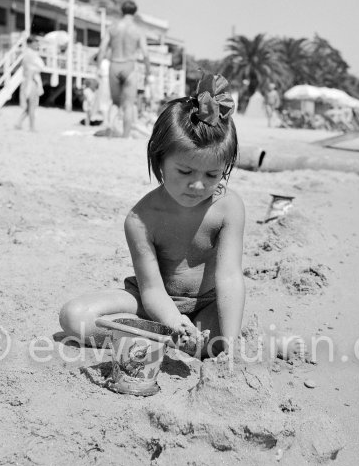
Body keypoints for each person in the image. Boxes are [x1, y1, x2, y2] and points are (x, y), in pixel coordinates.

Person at [59, 72, 244, 358]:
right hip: (151, 302)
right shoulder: (141, 218)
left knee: (226, 333)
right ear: (159, 161)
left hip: (205, 305)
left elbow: (229, 278)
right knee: (74, 317)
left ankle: (155, 339)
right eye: (185, 172)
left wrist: (231, 347)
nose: (198, 185)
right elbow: (152, 289)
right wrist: (173, 323)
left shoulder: (227, 207)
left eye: (212, 175)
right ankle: (169, 338)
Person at [97, 0, 150, 138]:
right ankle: (125, 137)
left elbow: (102, 49)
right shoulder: (138, 30)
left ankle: (109, 128)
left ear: (122, 10)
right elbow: (145, 54)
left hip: (114, 65)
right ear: (135, 12)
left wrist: (98, 67)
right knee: (128, 105)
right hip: (129, 66)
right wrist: (148, 73)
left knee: (115, 103)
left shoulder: (112, 27)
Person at [16, 35, 45, 132]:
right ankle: (32, 127)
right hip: (31, 81)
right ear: (29, 44)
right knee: (32, 106)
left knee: (30, 106)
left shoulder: (31, 53)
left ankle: (19, 123)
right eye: (35, 42)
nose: (37, 44)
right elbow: (29, 70)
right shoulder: (29, 54)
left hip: (31, 80)